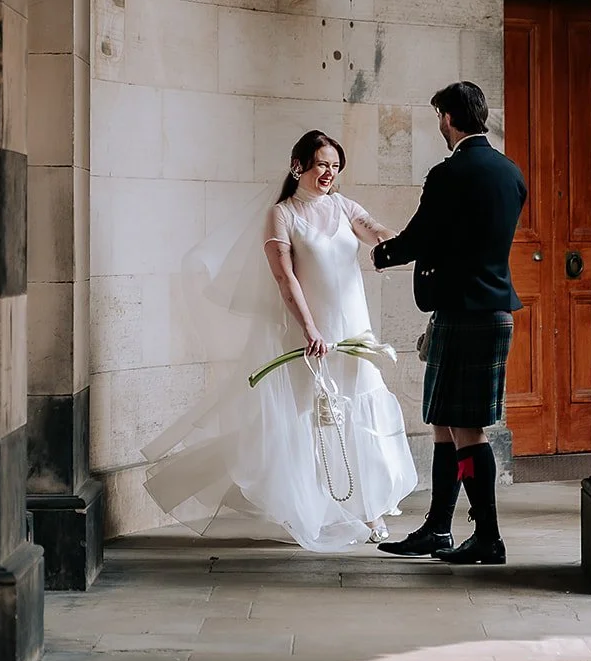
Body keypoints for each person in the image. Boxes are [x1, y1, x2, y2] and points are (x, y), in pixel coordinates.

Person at [142, 130, 417, 553]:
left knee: (361, 409)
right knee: (316, 417)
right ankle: (320, 509)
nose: (329, 173)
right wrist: (310, 329)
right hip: (311, 335)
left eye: (335, 166)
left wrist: (401, 242)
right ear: (298, 166)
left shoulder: (345, 207)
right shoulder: (282, 214)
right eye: (322, 164)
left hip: (353, 333)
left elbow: (376, 230)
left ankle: (370, 509)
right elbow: (285, 278)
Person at [372, 82, 527, 565]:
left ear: (448, 117)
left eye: (439, 115)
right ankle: (437, 529)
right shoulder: (511, 173)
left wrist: (382, 253)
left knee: (467, 428)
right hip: (487, 310)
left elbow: (421, 236)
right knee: (444, 421)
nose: (439, 123)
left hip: (466, 315)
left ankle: (488, 536)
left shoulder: (449, 173)